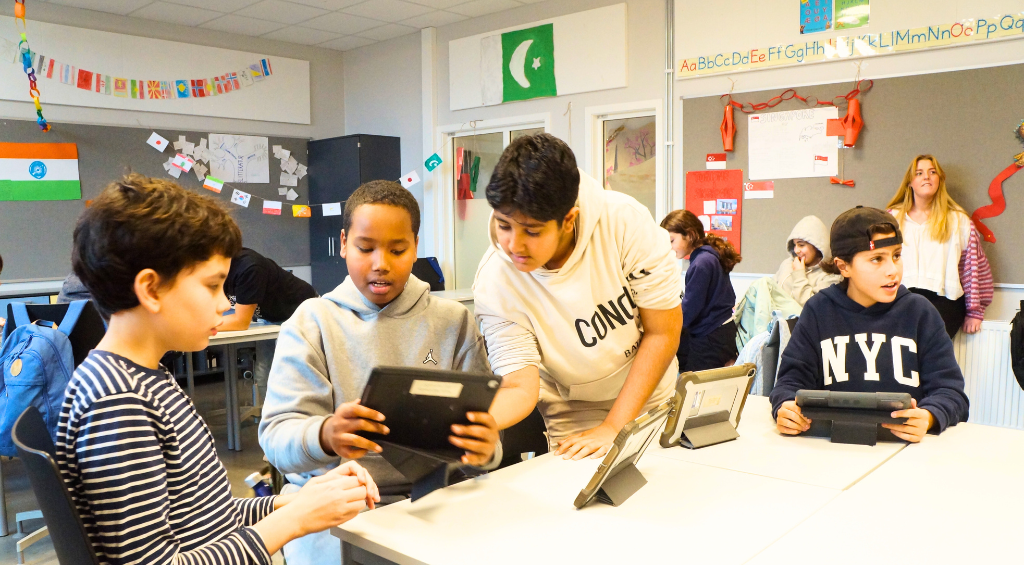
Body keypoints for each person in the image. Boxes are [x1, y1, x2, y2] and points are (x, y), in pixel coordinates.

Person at [56, 174, 378, 565]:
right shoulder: (117, 402)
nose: (225, 304)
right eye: (212, 286)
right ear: (151, 290)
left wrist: (295, 500)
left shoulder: (145, 380)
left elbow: (204, 517)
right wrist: (293, 520)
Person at [259, 181, 500, 565]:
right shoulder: (311, 323)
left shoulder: (453, 322)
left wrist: (486, 448)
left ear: (416, 246)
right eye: (365, 248)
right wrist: (325, 435)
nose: (380, 263)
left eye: (398, 249)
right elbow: (276, 440)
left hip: (434, 502)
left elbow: (480, 433)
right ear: (342, 242)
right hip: (336, 509)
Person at [474, 134, 682, 461]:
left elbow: (662, 331)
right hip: (571, 409)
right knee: (579, 493)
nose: (514, 245)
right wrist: (483, 424)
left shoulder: (624, 223)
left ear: (568, 219)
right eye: (503, 225)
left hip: (649, 392)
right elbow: (519, 386)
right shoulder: (495, 281)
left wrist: (615, 426)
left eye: (532, 231)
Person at [770, 207, 969, 443]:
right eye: (877, 259)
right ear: (844, 267)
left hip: (904, 455)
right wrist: (786, 407)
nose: (892, 270)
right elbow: (789, 383)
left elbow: (951, 393)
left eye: (896, 255)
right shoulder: (818, 311)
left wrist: (929, 416)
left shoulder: (921, 313)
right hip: (829, 453)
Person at [886, 155, 992, 337]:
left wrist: (975, 312)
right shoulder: (891, 219)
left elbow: (973, 268)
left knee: (930, 358)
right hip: (899, 299)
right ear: (910, 182)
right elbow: (878, 263)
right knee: (901, 358)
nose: (926, 176)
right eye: (919, 173)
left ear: (940, 180)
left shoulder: (958, 220)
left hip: (945, 303)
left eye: (932, 172)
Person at [217, 247, 318, 402]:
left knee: (303, 372)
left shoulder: (248, 267)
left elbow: (241, 321)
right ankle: (272, 421)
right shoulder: (215, 271)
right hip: (270, 317)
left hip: (303, 313)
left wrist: (198, 326)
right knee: (265, 372)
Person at [661, 210, 741, 372]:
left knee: (694, 386)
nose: (669, 247)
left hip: (711, 337)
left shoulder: (701, 263)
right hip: (720, 333)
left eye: (671, 240)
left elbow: (689, 311)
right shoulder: (708, 256)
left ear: (689, 235)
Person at [773, 215, 841, 305]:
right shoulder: (787, 264)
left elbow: (812, 307)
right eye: (794, 245)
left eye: (801, 245)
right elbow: (772, 291)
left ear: (816, 246)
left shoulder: (831, 275)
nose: (796, 250)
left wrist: (799, 274)